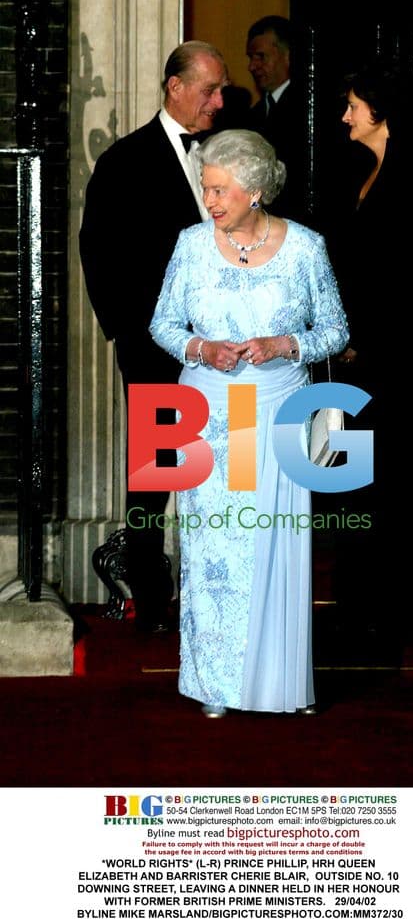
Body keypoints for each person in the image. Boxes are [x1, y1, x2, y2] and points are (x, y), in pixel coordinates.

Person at [149, 129, 349, 717]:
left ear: (254, 190)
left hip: (280, 410)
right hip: (212, 415)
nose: (209, 200)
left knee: (277, 544)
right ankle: (216, 684)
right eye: (206, 188)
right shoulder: (191, 246)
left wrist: (286, 343)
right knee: (216, 547)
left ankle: (283, 683)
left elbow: (335, 330)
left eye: (219, 190)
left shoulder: (306, 248)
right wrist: (200, 348)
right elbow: (162, 324)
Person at [79, 41, 228, 634]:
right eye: (210, 90)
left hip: (227, 345)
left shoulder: (229, 153)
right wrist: (130, 332)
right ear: (175, 87)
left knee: (227, 465)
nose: (219, 102)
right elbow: (98, 250)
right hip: (156, 347)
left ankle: (221, 590)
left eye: (221, 91)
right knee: (157, 473)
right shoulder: (125, 160)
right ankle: (151, 597)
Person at [326, 61, 413, 644]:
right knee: (358, 477)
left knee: (395, 480)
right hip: (363, 358)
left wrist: (369, 336)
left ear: (380, 110)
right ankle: (362, 600)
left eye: (353, 105)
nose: (344, 116)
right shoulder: (360, 172)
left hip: (404, 357)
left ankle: (393, 605)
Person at [245, 16, 303, 220]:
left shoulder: (307, 110)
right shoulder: (252, 115)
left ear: (288, 56)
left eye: (261, 57)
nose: (252, 66)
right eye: (250, 58)